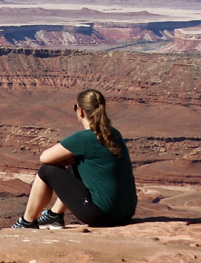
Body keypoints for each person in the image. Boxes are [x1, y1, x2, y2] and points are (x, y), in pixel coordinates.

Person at [12, 88, 136, 229]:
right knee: (75, 165)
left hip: (101, 215)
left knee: (47, 171)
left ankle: (26, 222)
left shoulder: (84, 138)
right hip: (126, 214)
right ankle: (54, 215)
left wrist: (65, 160)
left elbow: (44, 158)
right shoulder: (114, 134)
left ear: (80, 111)